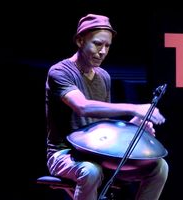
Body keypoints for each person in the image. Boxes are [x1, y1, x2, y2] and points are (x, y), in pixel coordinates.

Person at [45, 13, 169, 200]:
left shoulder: (103, 77)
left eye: (107, 46)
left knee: (159, 167)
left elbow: (101, 127)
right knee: (91, 171)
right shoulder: (60, 72)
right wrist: (133, 108)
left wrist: (135, 125)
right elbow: (83, 107)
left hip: (98, 154)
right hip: (65, 154)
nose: (102, 51)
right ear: (80, 41)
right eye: (97, 44)